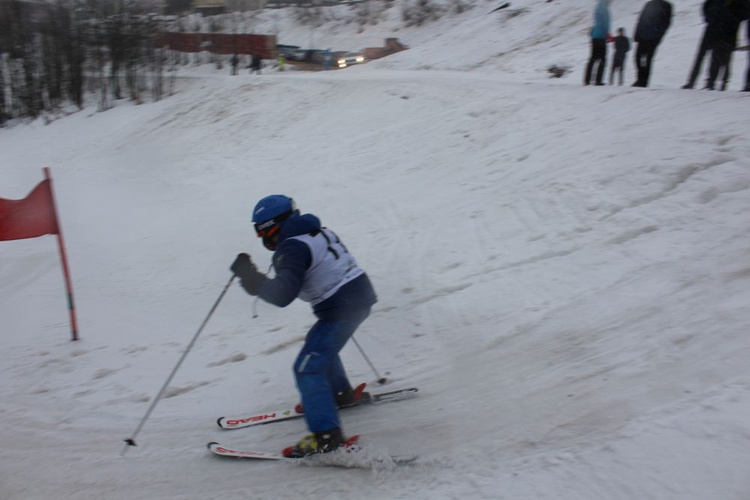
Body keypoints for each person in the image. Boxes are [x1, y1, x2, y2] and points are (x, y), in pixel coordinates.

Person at [230, 195, 377, 458]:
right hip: (355, 299)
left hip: (342, 309)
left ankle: (326, 439)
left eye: (259, 231)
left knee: (307, 368)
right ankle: (339, 394)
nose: (260, 238)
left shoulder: (292, 247)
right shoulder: (315, 230)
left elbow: (282, 295)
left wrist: (250, 278)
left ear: (270, 227)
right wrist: (256, 277)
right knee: (317, 346)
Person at [704, 0, 750, 90]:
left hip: (730, 33)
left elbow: (744, 15)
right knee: (716, 59)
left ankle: (723, 83)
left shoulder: (740, 5)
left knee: (726, 60)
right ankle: (711, 82)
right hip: (721, 32)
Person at [682, 0, 723, 89]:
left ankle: (701, 82)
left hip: (716, 30)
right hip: (715, 30)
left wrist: (709, 18)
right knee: (710, 58)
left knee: (707, 57)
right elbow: (706, 6)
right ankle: (706, 82)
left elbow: (706, 6)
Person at [632, 0, 673, 87]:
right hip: (643, 36)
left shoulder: (666, 6)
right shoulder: (649, 4)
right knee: (637, 57)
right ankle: (640, 79)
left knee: (648, 59)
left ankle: (644, 81)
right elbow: (641, 19)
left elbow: (666, 23)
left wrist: (659, 36)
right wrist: (637, 34)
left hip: (653, 38)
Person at [584, 0, 611, 86]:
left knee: (593, 58)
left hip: (595, 36)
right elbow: (603, 23)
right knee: (602, 59)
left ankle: (587, 80)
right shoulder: (604, 8)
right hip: (600, 37)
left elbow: (597, 22)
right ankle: (598, 80)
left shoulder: (599, 6)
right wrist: (606, 34)